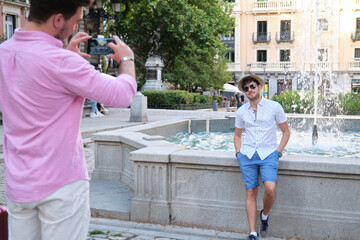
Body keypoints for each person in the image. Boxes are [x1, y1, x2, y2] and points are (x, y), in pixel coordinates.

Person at [0, 0, 137, 239]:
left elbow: (34, 77)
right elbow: (122, 95)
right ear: (58, 20)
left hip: (19, 184)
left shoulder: (4, 53)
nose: (74, 28)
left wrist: (64, 56)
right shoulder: (63, 63)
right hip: (61, 185)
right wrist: (127, 60)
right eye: (75, 21)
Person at [233, 75, 290, 240]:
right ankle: (252, 232)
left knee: (270, 188)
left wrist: (278, 151)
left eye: (252, 86)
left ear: (259, 87)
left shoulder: (274, 107)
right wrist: (238, 153)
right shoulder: (241, 111)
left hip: (269, 154)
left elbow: (286, 131)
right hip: (248, 155)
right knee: (250, 191)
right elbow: (237, 135)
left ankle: (264, 216)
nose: (249, 90)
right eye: (246, 88)